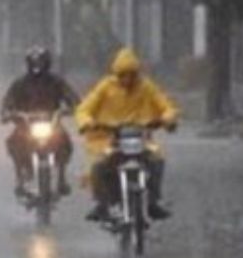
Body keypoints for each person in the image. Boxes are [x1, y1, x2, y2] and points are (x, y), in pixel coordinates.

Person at [75, 47, 179, 222]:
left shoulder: (146, 86)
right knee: (98, 166)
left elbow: (166, 106)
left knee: (156, 160)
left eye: (132, 75)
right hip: (109, 139)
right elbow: (84, 109)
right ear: (117, 74)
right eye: (123, 75)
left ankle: (152, 201)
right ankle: (102, 204)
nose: (128, 79)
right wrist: (87, 122)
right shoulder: (105, 87)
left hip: (141, 139)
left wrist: (168, 119)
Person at [1, 47, 80, 199]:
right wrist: (8, 113)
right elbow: (8, 102)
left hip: (52, 124)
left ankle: (61, 177)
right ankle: (21, 177)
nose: (37, 66)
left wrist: (73, 108)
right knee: (14, 142)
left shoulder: (56, 82)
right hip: (26, 126)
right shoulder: (20, 83)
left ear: (47, 63)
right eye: (34, 63)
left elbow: (71, 97)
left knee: (64, 141)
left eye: (40, 62)